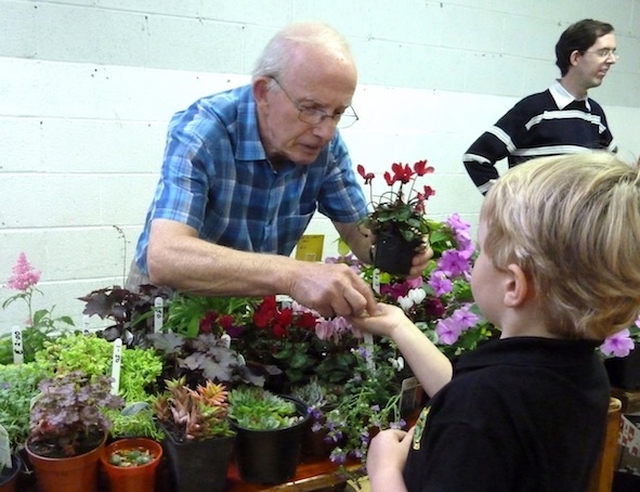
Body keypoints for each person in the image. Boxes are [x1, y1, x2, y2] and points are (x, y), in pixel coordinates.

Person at [349, 152, 640, 491]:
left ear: (514, 285)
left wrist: (383, 469)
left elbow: (479, 406)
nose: (476, 260)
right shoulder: (575, 371)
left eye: (484, 249)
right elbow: (473, 392)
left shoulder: (479, 410)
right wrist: (398, 325)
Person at [126, 21, 430, 317]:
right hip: (168, 305)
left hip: (245, 303)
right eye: (310, 108)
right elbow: (165, 257)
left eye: (337, 113)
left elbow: (357, 232)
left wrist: (400, 248)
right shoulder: (205, 130)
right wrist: (293, 274)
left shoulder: (325, 146)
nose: (325, 131)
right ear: (263, 92)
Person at [463, 19, 619, 195]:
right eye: (603, 52)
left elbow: (610, 174)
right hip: (535, 223)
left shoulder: (595, 114)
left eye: (613, 52)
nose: (612, 60)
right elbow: (476, 158)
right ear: (576, 57)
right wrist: (507, 206)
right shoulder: (534, 110)